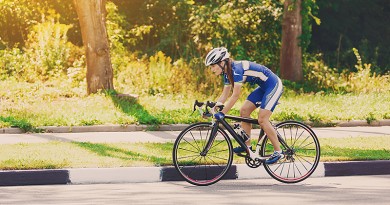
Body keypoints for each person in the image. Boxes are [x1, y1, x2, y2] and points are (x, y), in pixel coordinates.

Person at [205, 47, 284, 164]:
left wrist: (223, 113)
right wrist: (214, 108)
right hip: (263, 87)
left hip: (273, 85)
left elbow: (235, 95)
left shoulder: (236, 69)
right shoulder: (227, 73)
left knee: (262, 119)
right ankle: (247, 147)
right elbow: (225, 94)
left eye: (212, 66)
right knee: (244, 111)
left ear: (222, 63)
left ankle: (278, 152)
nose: (211, 69)